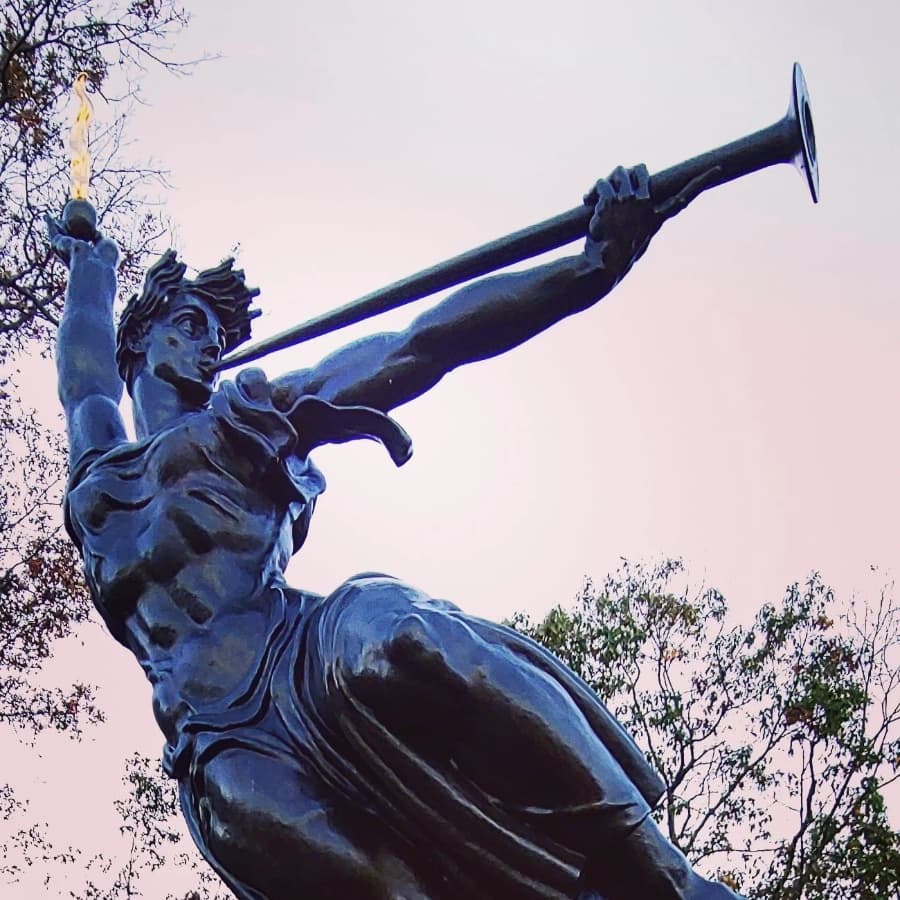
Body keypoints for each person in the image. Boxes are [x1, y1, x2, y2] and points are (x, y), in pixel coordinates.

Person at [51, 166, 740, 900]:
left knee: (396, 632)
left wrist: (592, 265)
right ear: (143, 342)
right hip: (216, 740)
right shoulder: (101, 475)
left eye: (217, 335)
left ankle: (666, 878)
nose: (210, 347)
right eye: (191, 327)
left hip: (299, 652)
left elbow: (421, 344)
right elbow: (85, 372)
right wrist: (92, 265)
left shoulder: (251, 420)